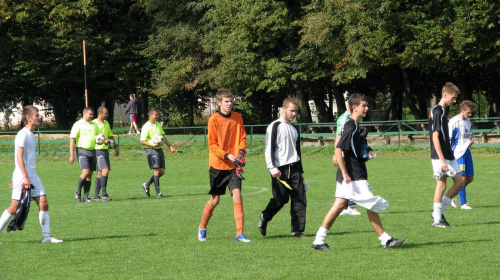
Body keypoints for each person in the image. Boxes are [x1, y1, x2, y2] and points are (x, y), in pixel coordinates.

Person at [311, 93, 405, 250]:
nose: (367, 108)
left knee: (339, 205)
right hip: (353, 175)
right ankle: (386, 240)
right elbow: (338, 148)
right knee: (371, 204)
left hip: (352, 173)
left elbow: (350, 150)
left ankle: (319, 240)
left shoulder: (355, 126)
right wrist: (345, 172)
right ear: (354, 107)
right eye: (364, 105)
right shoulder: (350, 126)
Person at [0, 105, 63, 244]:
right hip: (24, 176)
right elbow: (19, 157)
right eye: (36, 115)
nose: (39, 117)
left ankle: (46, 236)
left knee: (43, 202)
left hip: (32, 175)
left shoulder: (31, 134)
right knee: (14, 207)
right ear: (29, 118)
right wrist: (23, 178)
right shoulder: (22, 134)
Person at [197, 90, 250, 242]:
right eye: (226, 101)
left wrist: (240, 153)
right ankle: (202, 227)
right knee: (215, 200)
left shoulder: (238, 117)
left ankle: (239, 234)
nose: (229, 104)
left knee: (237, 194)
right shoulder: (213, 120)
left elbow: (242, 138)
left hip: (233, 165)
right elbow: (212, 145)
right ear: (219, 102)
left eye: (230, 101)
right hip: (218, 165)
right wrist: (226, 155)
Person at [258, 97, 307, 238]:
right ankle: (264, 217)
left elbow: (297, 151)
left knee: (300, 199)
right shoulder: (275, 126)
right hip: (280, 169)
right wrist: (272, 168)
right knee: (281, 200)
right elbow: (268, 149)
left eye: (296, 111)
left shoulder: (294, 128)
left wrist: (301, 172)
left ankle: (297, 231)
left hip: (295, 167)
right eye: (291, 111)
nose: (294, 114)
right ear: (283, 109)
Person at [429, 82, 465, 227]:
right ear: (445, 95)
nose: (454, 101)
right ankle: (437, 220)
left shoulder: (443, 111)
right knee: (441, 185)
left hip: (448, 154)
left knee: (460, 182)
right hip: (440, 156)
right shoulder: (437, 111)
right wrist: (442, 160)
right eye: (453, 97)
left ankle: (437, 212)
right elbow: (435, 137)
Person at [139, 108, 177, 198]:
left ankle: (147, 184)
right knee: (156, 170)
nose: (157, 116)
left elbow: (163, 137)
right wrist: (152, 144)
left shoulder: (158, 124)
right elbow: (142, 141)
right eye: (156, 114)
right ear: (150, 115)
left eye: (157, 114)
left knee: (162, 171)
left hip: (159, 149)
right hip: (152, 150)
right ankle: (158, 193)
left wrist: (170, 146)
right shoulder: (146, 126)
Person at [332, 103, 361, 216]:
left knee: (346, 178)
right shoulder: (346, 118)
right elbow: (339, 136)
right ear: (354, 107)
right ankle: (349, 205)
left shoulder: (351, 119)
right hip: (344, 152)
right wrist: (336, 154)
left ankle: (346, 206)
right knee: (346, 177)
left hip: (348, 152)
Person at [448, 100, 474, 210]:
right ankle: (463, 204)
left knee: (470, 178)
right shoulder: (454, 121)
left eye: (471, 113)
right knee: (462, 177)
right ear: (462, 110)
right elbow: (448, 139)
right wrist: (448, 155)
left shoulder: (468, 121)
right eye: (468, 112)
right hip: (458, 153)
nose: (470, 115)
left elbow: (468, 135)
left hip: (467, 151)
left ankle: (452, 195)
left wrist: (470, 142)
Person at [69, 107, 98, 203]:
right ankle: (78, 191)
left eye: (92, 114)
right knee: (85, 172)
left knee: (90, 174)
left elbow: (98, 136)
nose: (92, 116)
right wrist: (72, 155)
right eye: (90, 114)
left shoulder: (94, 124)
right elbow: (72, 139)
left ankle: (86, 197)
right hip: (82, 151)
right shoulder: (78, 124)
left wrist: (103, 140)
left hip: (93, 151)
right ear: (84, 114)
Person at [93, 106, 120, 201]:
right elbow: (95, 137)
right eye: (106, 113)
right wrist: (103, 140)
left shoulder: (106, 123)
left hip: (105, 150)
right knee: (105, 170)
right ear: (100, 113)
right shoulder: (94, 123)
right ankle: (104, 194)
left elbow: (110, 136)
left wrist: (116, 147)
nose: (107, 115)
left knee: (100, 172)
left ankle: (96, 195)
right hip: (98, 150)